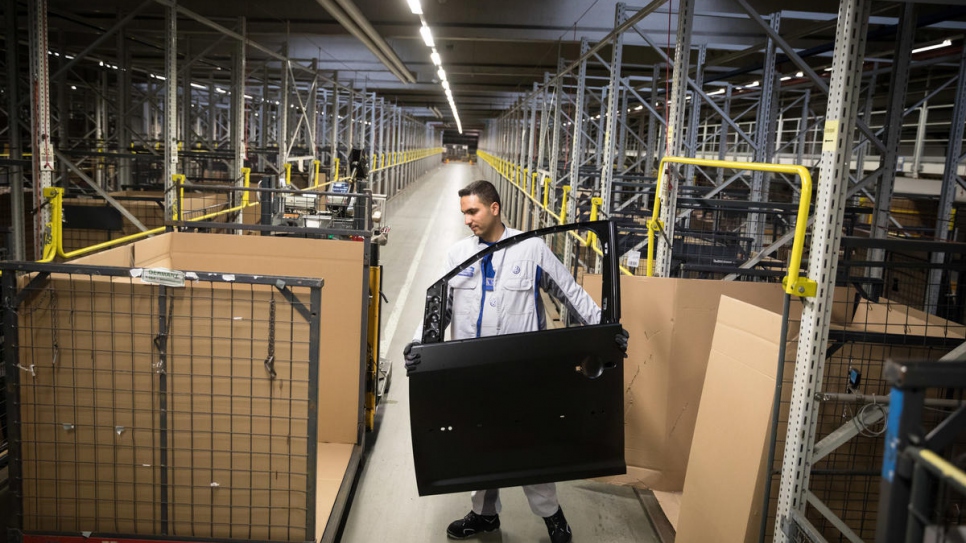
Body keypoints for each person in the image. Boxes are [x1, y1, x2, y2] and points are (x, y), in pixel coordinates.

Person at [403, 180, 629, 543]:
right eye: (463, 213)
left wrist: (608, 331)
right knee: (479, 444)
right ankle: (484, 515)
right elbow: (438, 309)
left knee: (528, 444)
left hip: (521, 369)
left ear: (494, 208)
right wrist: (418, 344)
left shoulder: (531, 249)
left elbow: (569, 292)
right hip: (471, 370)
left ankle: (552, 516)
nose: (467, 220)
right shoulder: (456, 254)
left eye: (472, 211)